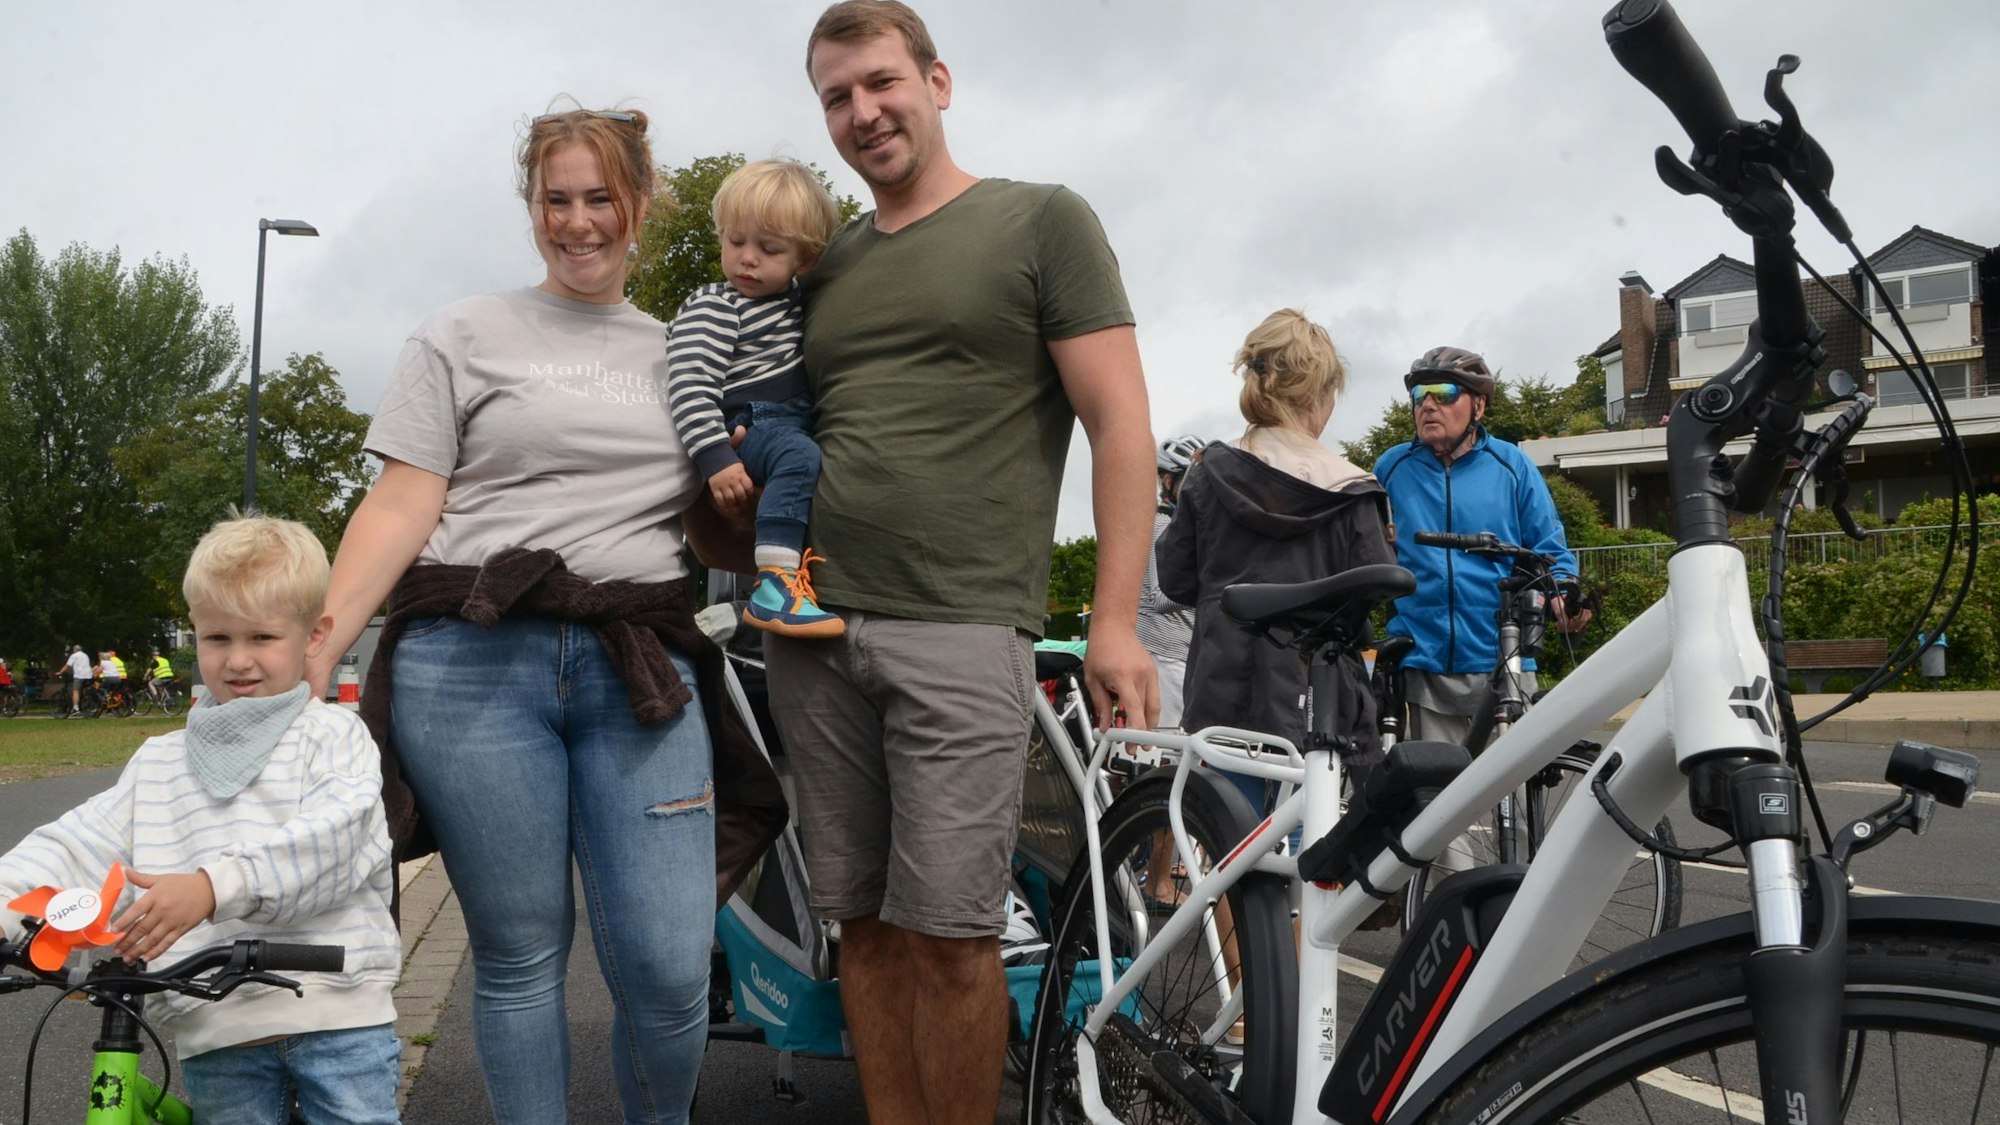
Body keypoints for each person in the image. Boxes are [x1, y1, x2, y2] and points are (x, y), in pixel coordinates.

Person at [307, 105, 784, 1125]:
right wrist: (324, 640)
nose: (577, 223)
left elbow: (713, 534)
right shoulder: (461, 333)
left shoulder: (684, 352)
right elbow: (402, 500)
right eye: (554, 200)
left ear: (640, 207)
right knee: (520, 951)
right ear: (532, 208)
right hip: (471, 667)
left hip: (638, 674)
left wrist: (761, 501)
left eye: (599, 199)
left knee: (663, 965)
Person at [765, 5, 1159, 1122]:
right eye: (836, 97)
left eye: (880, 83)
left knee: (953, 934)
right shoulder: (824, 263)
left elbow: (1118, 423)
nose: (862, 112)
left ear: (938, 82)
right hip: (809, 632)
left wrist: (1115, 618)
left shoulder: (1039, 220)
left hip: (959, 625)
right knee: (865, 930)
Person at [0, 515, 400, 1122]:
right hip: (213, 1024)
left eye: (262, 637)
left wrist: (214, 888)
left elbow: (335, 840)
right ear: (195, 636)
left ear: (314, 636)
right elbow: (84, 841)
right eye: (217, 639)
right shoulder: (161, 758)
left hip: (336, 1011)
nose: (238, 660)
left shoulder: (331, 734)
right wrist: (8, 903)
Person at [1158, 310, 1393, 827]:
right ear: (1319, 393)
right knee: (1309, 840)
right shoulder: (1354, 489)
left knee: (1229, 838)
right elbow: (1376, 588)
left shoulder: (1208, 474)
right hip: (1318, 695)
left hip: (1224, 681)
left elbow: (1175, 582)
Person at [1372, 346, 1589, 749]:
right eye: (1420, 396)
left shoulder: (1512, 464)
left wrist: (1564, 592)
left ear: (1479, 406)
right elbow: (1366, 552)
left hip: (1503, 658)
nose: (1429, 405)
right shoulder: (1391, 468)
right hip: (1424, 661)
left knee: (1512, 803)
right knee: (1438, 802)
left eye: (1444, 393)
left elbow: (1549, 548)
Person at [666, 158, 844, 638]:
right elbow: (688, 385)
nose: (747, 258)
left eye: (768, 249)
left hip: (788, 417)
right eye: (735, 241)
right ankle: (776, 582)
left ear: (802, 261)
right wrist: (716, 459)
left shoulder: (796, 305)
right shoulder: (716, 307)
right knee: (798, 456)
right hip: (752, 422)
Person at [1141, 435, 1205, 729]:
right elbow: (1160, 597)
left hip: (1185, 654)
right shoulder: (1160, 525)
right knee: (1170, 757)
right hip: (1164, 654)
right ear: (1168, 482)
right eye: (1191, 480)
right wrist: (1214, 588)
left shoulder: (1185, 528)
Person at [64, 644, 91, 717]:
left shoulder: (74, 655)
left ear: (74, 650)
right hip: (88, 675)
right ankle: (83, 704)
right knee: (82, 690)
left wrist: (60, 672)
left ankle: (75, 708)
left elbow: (68, 665)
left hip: (79, 675)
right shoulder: (85, 655)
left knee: (75, 690)